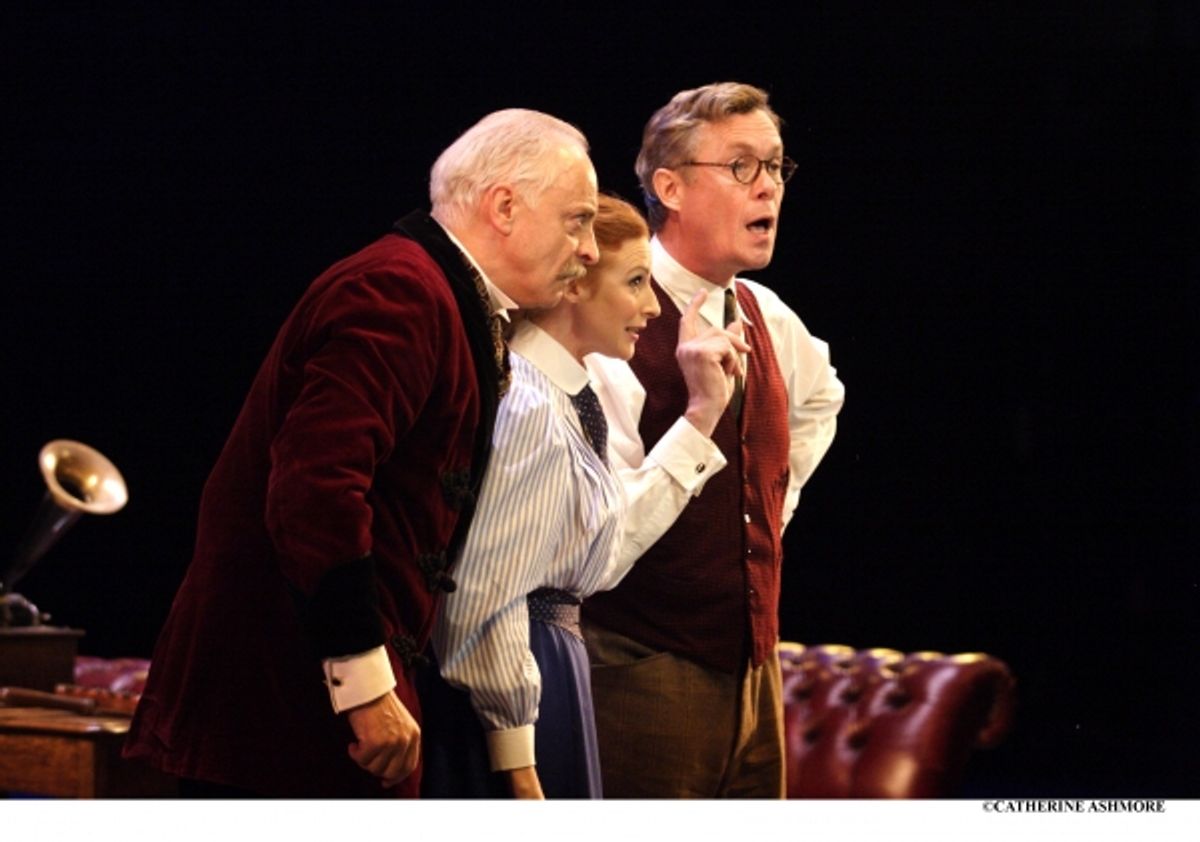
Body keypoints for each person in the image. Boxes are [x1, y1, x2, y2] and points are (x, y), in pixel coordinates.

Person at [122, 108, 600, 798]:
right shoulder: (400, 292)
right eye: (577, 219)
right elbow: (314, 491)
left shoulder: (442, 297)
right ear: (504, 206)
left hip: (315, 697)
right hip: (285, 702)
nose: (588, 248)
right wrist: (363, 682)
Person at [419, 194, 745, 799]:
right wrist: (516, 753)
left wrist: (702, 417)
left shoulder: (569, 398)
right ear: (573, 283)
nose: (652, 305)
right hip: (522, 676)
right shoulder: (531, 406)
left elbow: (606, 549)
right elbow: (483, 594)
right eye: (636, 281)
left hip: (552, 664)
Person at [582, 82, 846, 798]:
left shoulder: (766, 314)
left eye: (777, 167)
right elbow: (598, 542)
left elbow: (823, 398)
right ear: (669, 186)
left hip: (755, 672)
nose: (768, 189)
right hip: (641, 668)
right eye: (741, 168)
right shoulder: (608, 324)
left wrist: (768, 508)